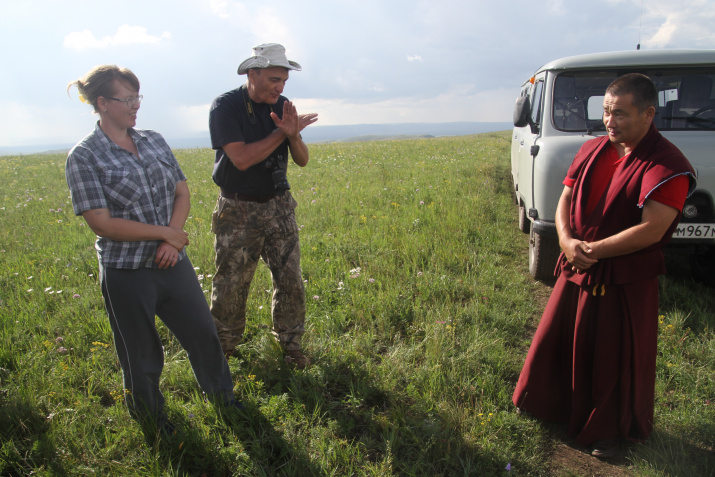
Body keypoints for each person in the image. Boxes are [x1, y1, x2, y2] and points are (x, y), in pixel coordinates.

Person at [512, 73, 696, 458]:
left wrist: (591, 250)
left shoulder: (668, 165)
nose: (610, 122)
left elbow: (652, 230)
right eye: (607, 112)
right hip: (577, 263)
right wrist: (564, 239)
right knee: (562, 338)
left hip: (624, 279)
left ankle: (607, 431)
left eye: (621, 115)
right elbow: (564, 198)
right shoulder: (592, 149)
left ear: (649, 114)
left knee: (614, 355)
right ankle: (554, 406)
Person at [65, 65, 237, 438]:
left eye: (137, 97)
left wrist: (171, 238)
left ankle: (224, 398)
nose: (135, 106)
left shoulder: (154, 139)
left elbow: (181, 191)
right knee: (140, 355)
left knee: (202, 333)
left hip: (172, 260)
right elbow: (102, 223)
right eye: (126, 99)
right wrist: (165, 234)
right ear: (102, 104)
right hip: (126, 271)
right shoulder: (84, 156)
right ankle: (152, 421)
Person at [208, 43, 318, 369]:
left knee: (291, 281)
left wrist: (294, 136)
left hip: (279, 205)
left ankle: (291, 348)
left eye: (283, 81)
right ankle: (222, 354)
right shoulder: (226, 106)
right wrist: (281, 134)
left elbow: (302, 160)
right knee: (231, 286)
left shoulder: (282, 106)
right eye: (273, 79)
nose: (279, 87)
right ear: (252, 74)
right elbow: (240, 159)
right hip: (238, 209)